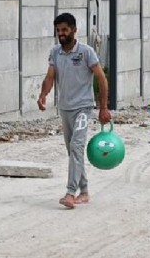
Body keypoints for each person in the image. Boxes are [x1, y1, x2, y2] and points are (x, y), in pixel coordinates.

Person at [37, 13, 111, 209]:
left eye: (64, 30)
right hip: (65, 109)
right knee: (72, 150)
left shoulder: (86, 52)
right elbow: (50, 77)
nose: (61, 34)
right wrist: (43, 94)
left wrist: (103, 108)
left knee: (76, 146)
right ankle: (84, 191)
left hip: (83, 109)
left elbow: (102, 79)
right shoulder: (55, 52)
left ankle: (70, 193)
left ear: (74, 30)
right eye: (58, 31)